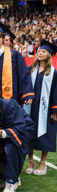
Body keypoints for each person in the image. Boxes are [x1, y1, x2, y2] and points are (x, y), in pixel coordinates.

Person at [0, 20, 35, 105]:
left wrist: (27, 94)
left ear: (2, 38)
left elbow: (23, 74)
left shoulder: (14, 55)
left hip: (11, 100)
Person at [24, 40, 57, 176]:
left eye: (43, 51)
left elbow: (56, 92)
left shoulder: (53, 73)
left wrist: (55, 111)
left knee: (45, 135)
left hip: (46, 109)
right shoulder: (31, 70)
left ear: (49, 55)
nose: (40, 53)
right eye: (39, 51)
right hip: (31, 108)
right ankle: (31, 161)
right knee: (30, 134)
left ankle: (42, 163)